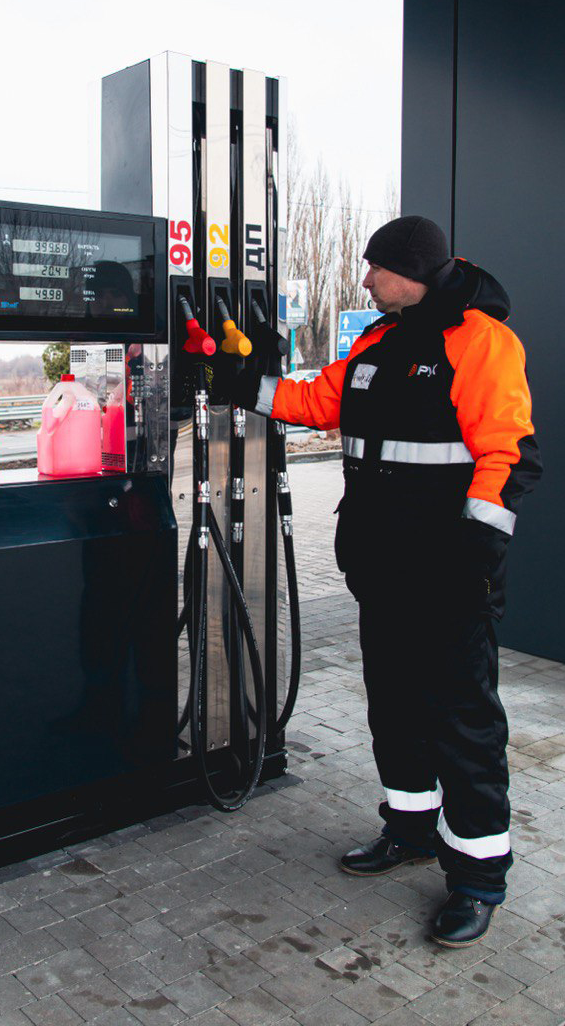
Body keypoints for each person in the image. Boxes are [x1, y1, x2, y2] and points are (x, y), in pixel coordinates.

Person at [231, 216, 541, 946]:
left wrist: (476, 553)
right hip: (381, 569)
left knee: (462, 722)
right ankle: (407, 828)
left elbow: (508, 454)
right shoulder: (376, 342)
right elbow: (317, 404)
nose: (365, 280)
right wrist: (241, 382)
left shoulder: (481, 342)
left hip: (447, 575)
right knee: (394, 706)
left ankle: (476, 879)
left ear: (413, 269)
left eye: (375, 268)